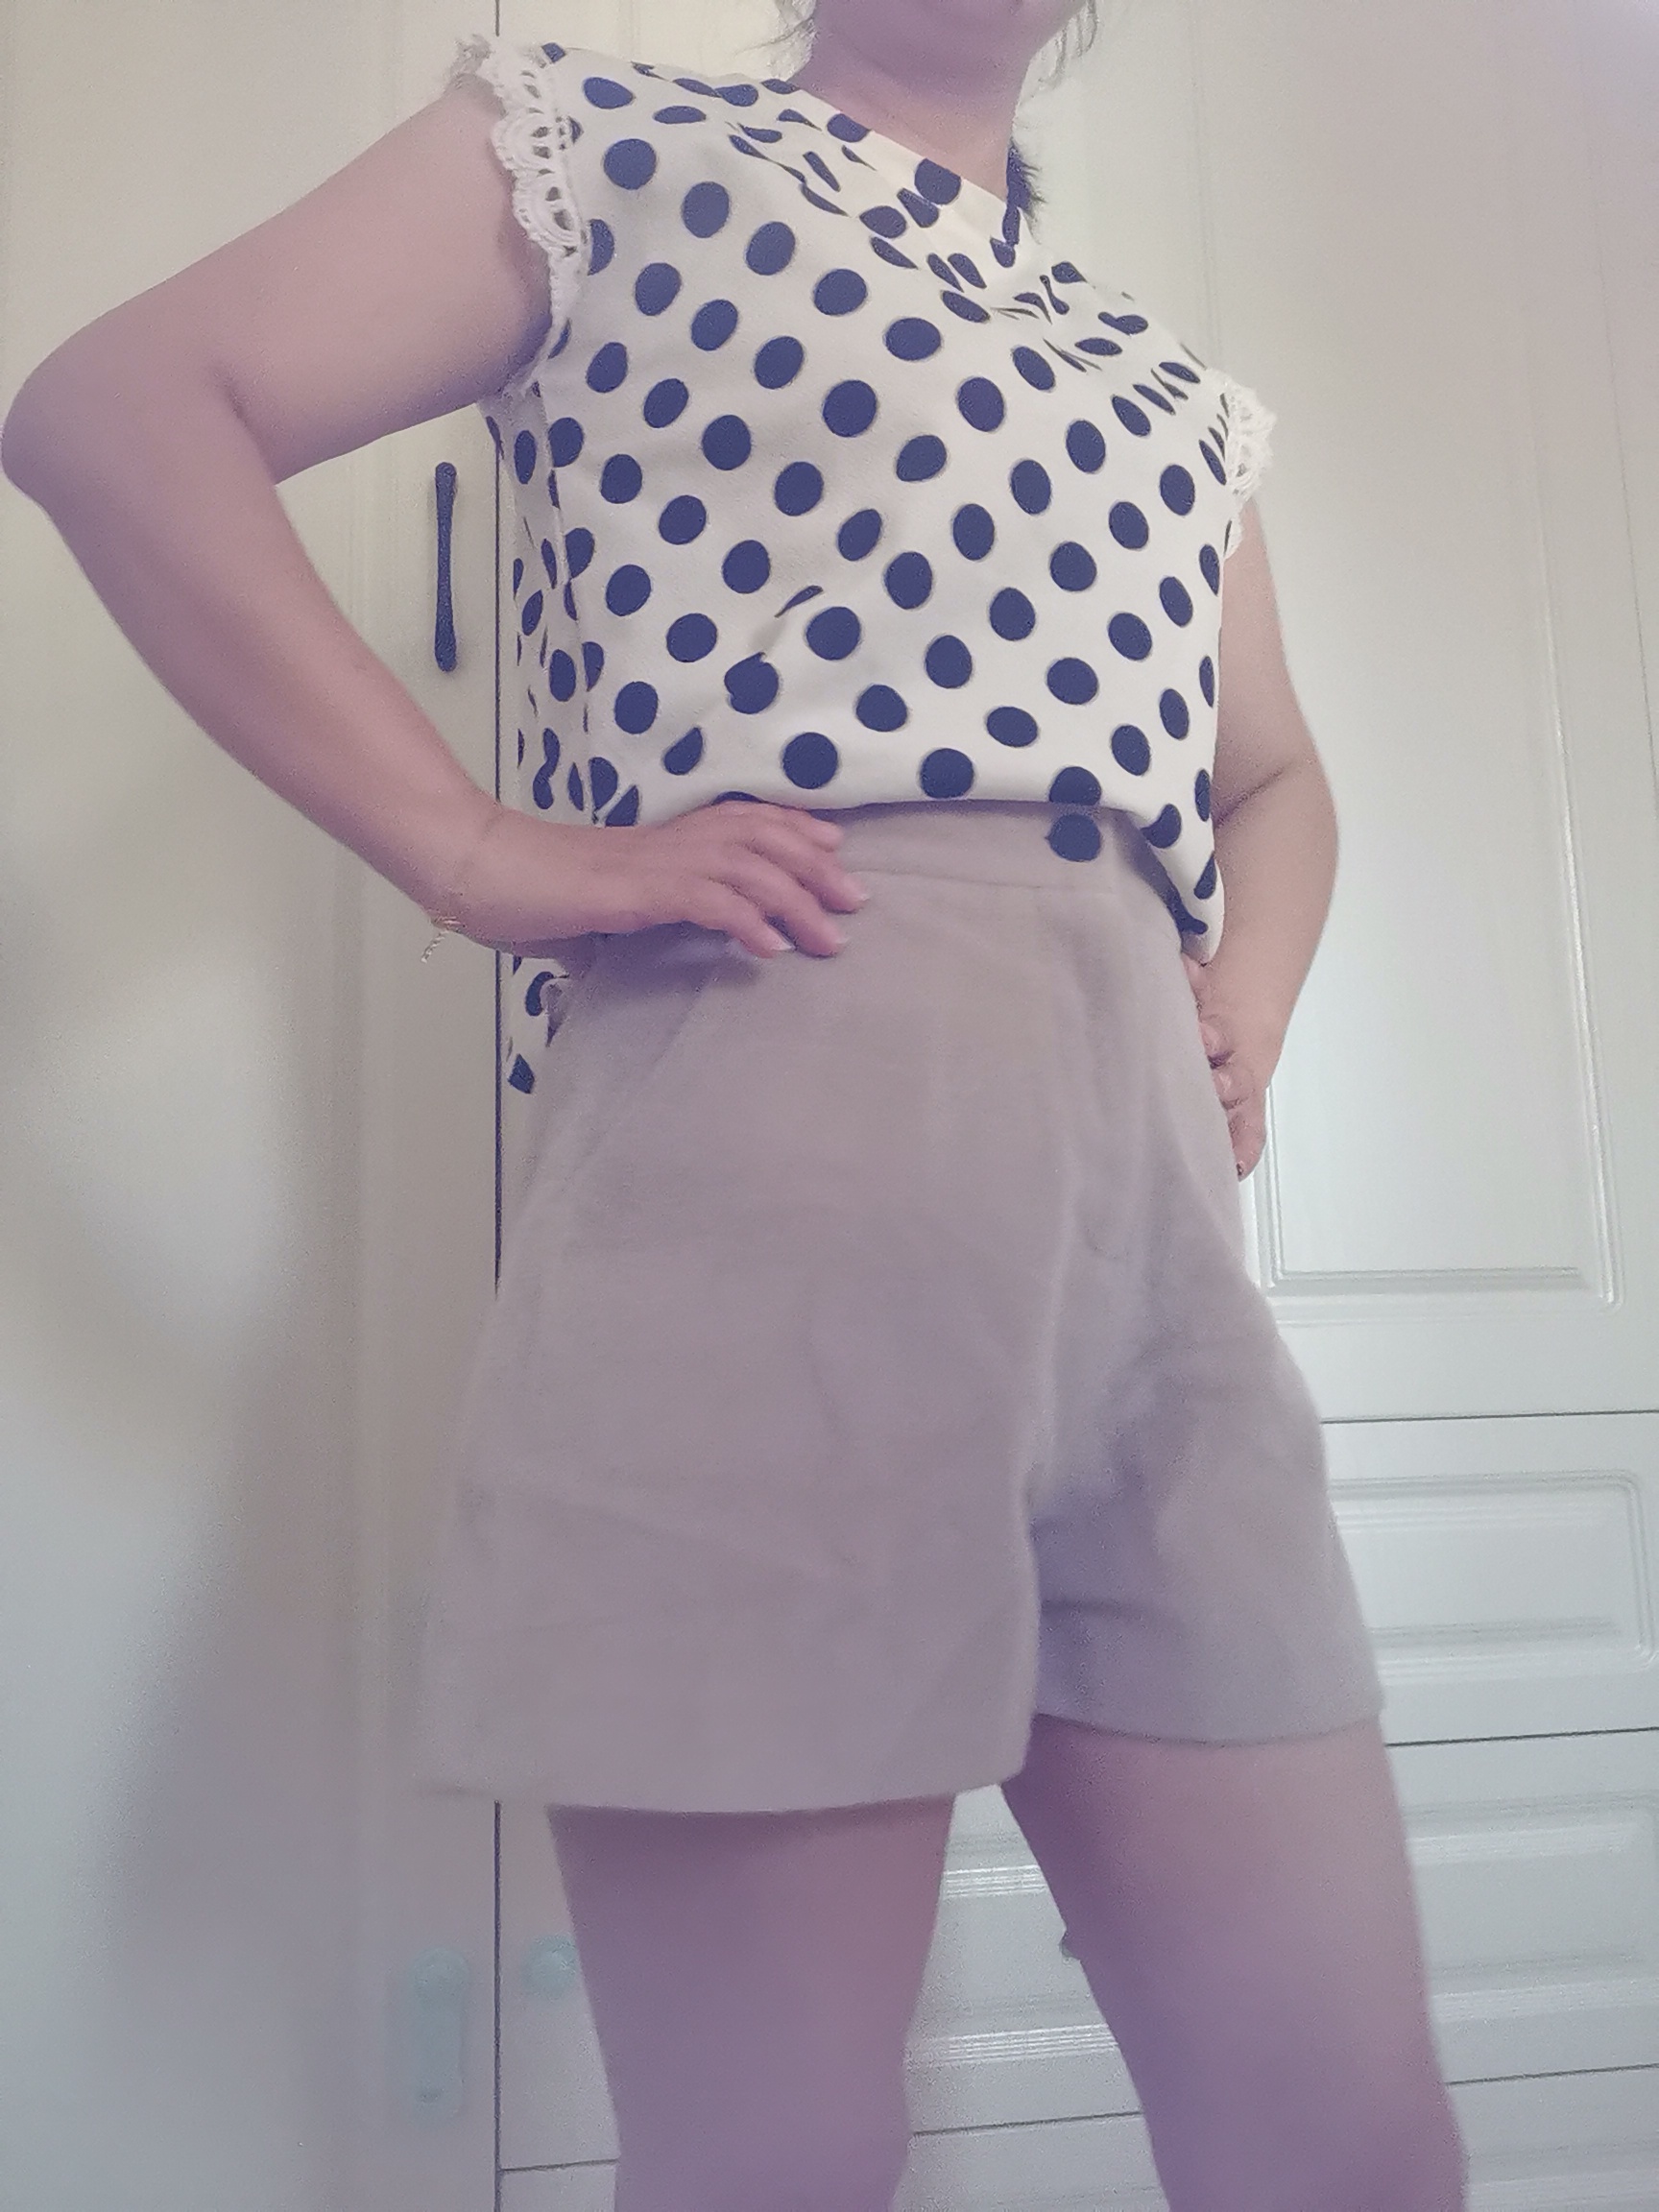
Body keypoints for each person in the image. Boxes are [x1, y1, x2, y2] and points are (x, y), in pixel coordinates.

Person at [0, 2, 1468, 2205]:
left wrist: (1246, 990)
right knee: (772, 2159)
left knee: (1350, 2145)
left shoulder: (1171, 390)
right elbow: (120, 411)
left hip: (1156, 1250)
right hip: (776, 1166)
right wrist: (477, 848)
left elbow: (1275, 773)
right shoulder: (606, 139)